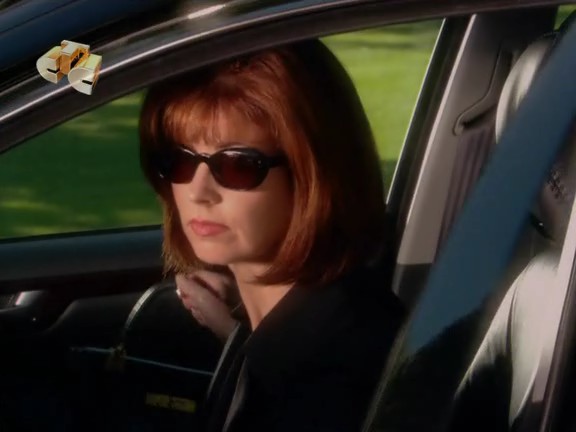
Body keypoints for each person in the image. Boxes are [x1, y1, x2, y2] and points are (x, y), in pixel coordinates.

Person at [139, 38, 404, 431]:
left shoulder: (334, 379)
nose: (198, 192)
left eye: (238, 165)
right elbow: (52, 66)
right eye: (179, 160)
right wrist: (234, 331)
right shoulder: (314, 324)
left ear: (311, 174)